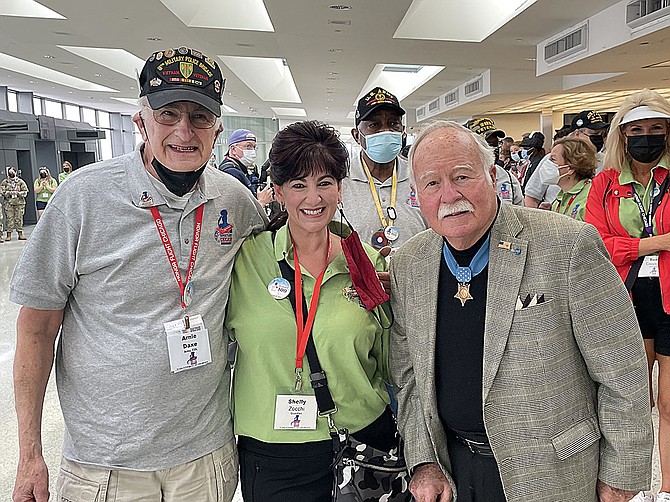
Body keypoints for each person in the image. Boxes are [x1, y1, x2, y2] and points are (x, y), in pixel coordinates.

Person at [10, 46, 267, 502]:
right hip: (105, 464)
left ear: (218, 129)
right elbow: (36, 329)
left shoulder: (236, 202)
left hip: (205, 457)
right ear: (140, 122)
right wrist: (30, 452)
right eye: (168, 114)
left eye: (200, 117)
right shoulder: (82, 199)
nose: (184, 131)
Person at [390, 120, 653, 502]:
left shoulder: (567, 244)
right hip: (454, 471)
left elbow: (622, 370)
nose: (449, 194)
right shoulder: (410, 262)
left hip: (552, 474)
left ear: (493, 175)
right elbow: (407, 374)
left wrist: (621, 474)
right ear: (416, 195)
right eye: (432, 183)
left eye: (462, 176)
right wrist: (424, 461)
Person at [226, 121, 398, 501]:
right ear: (277, 191)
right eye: (298, 184)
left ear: (340, 188)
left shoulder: (364, 263)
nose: (313, 197)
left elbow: (391, 358)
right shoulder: (247, 261)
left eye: (324, 182)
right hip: (275, 450)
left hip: (363, 441)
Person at [585, 89, 670, 501]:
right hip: (627, 298)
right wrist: (655, 244)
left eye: (656, 128)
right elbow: (597, 241)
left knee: (669, 405)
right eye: (637, 129)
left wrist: (628, 242)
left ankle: (668, 487)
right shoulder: (604, 184)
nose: (647, 137)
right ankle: (633, 483)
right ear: (623, 135)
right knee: (633, 402)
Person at [343, 87, 427, 251]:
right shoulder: (340, 181)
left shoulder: (419, 177)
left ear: (402, 131)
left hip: (414, 273)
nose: (386, 131)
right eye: (374, 125)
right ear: (356, 135)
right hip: (357, 276)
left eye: (393, 123)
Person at [525, 110, 609, 209]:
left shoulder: (607, 161)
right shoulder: (554, 159)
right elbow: (532, 195)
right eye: (594, 134)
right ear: (577, 134)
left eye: (602, 134)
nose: (598, 138)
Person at [465, 119, 523, 205]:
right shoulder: (460, 178)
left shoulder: (507, 178)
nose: (493, 150)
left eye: (495, 144)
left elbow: (519, 211)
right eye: (488, 144)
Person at [219, 128, 273, 207]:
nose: (252, 151)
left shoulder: (242, 169)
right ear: (233, 149)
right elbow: (239, 209)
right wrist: (262, 202)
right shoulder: (231, 172)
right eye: (248, 146)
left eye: (254, 147)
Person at [546, 136, 597, 221]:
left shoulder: (590, 197)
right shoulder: (560, 197)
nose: (547, 164)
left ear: (570, 168)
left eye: (553, 159)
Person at [0, 166, 28, 241]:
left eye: (12, 172)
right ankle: (9, 234)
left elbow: (25, 191)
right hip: (8, 203)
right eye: (10, 172)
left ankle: (20, 233)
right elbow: (2, 192)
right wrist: (9, 193)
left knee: (19, 218)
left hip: (19, 203)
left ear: (15, 172)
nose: (11, 173)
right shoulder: (5, 182)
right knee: (9, 219)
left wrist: (18, 193)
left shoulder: (20, 182)